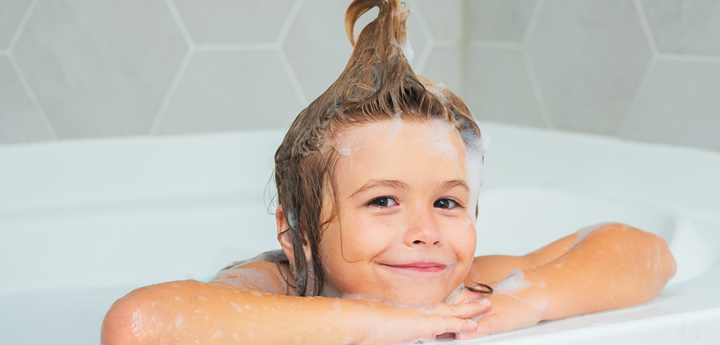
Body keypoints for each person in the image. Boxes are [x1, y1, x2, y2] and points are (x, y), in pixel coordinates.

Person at [101, 0, 676, 343]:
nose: (426, 228)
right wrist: (367, 321)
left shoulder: (457, 284)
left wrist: (528, 301)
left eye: (448, 202)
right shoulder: (278, 288)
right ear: (298, 232)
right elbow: (137, 325)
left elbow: (645, 251)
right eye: (382, 201)